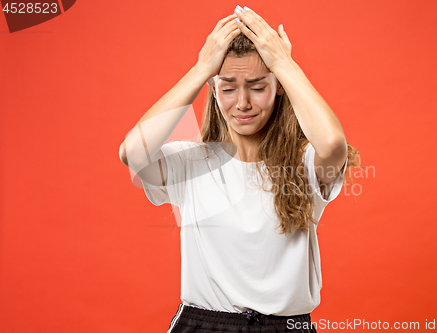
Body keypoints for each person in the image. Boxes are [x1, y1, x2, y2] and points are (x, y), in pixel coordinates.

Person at [119, 5, 362, 333]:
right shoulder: (192, 162)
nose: (243, 103)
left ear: (278, 88)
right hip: (203, 323)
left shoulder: (305, 164)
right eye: (228, 87)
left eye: (258, 86)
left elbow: (333, 144)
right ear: (214, 90)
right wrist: (203, 67)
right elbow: (133, 151)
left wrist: (283, 63)